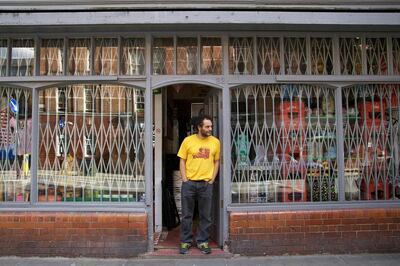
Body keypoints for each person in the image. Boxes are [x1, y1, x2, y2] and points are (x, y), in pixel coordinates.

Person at [177, 114, 220, 255]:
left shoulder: (215, 142)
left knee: (205, 216)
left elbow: (217, 161)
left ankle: (202, 241)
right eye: (207, 126)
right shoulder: (188, 141)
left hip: (206, 184)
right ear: (199, 127)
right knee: (187, 215)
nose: (210, 129)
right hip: (189, 184)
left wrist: (212, 179)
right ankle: (186, 242)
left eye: (211, 126)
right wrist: (184, 179)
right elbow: (182, 160)